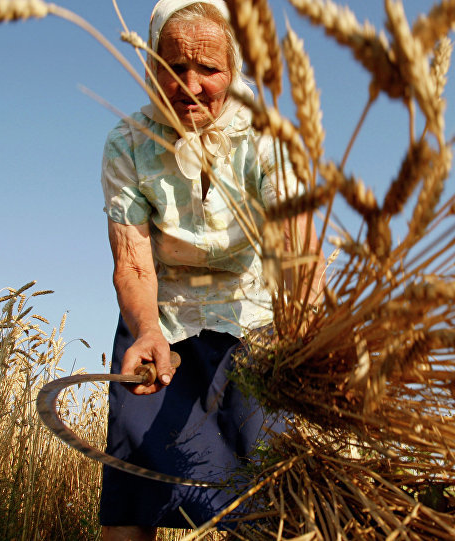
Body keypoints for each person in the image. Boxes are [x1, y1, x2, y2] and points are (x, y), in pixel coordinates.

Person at [98, 0, 322, 539]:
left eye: (208, 69)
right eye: (173, 67)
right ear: (151, 67)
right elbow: (133, 261)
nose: (190, 85)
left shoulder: (266, 139)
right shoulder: (126, 144)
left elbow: (296, 252)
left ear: (233, 71)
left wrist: (309, 335)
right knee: (136, 459)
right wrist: (148, 330)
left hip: (254, 315)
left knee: (272, 472)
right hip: (162, 313)